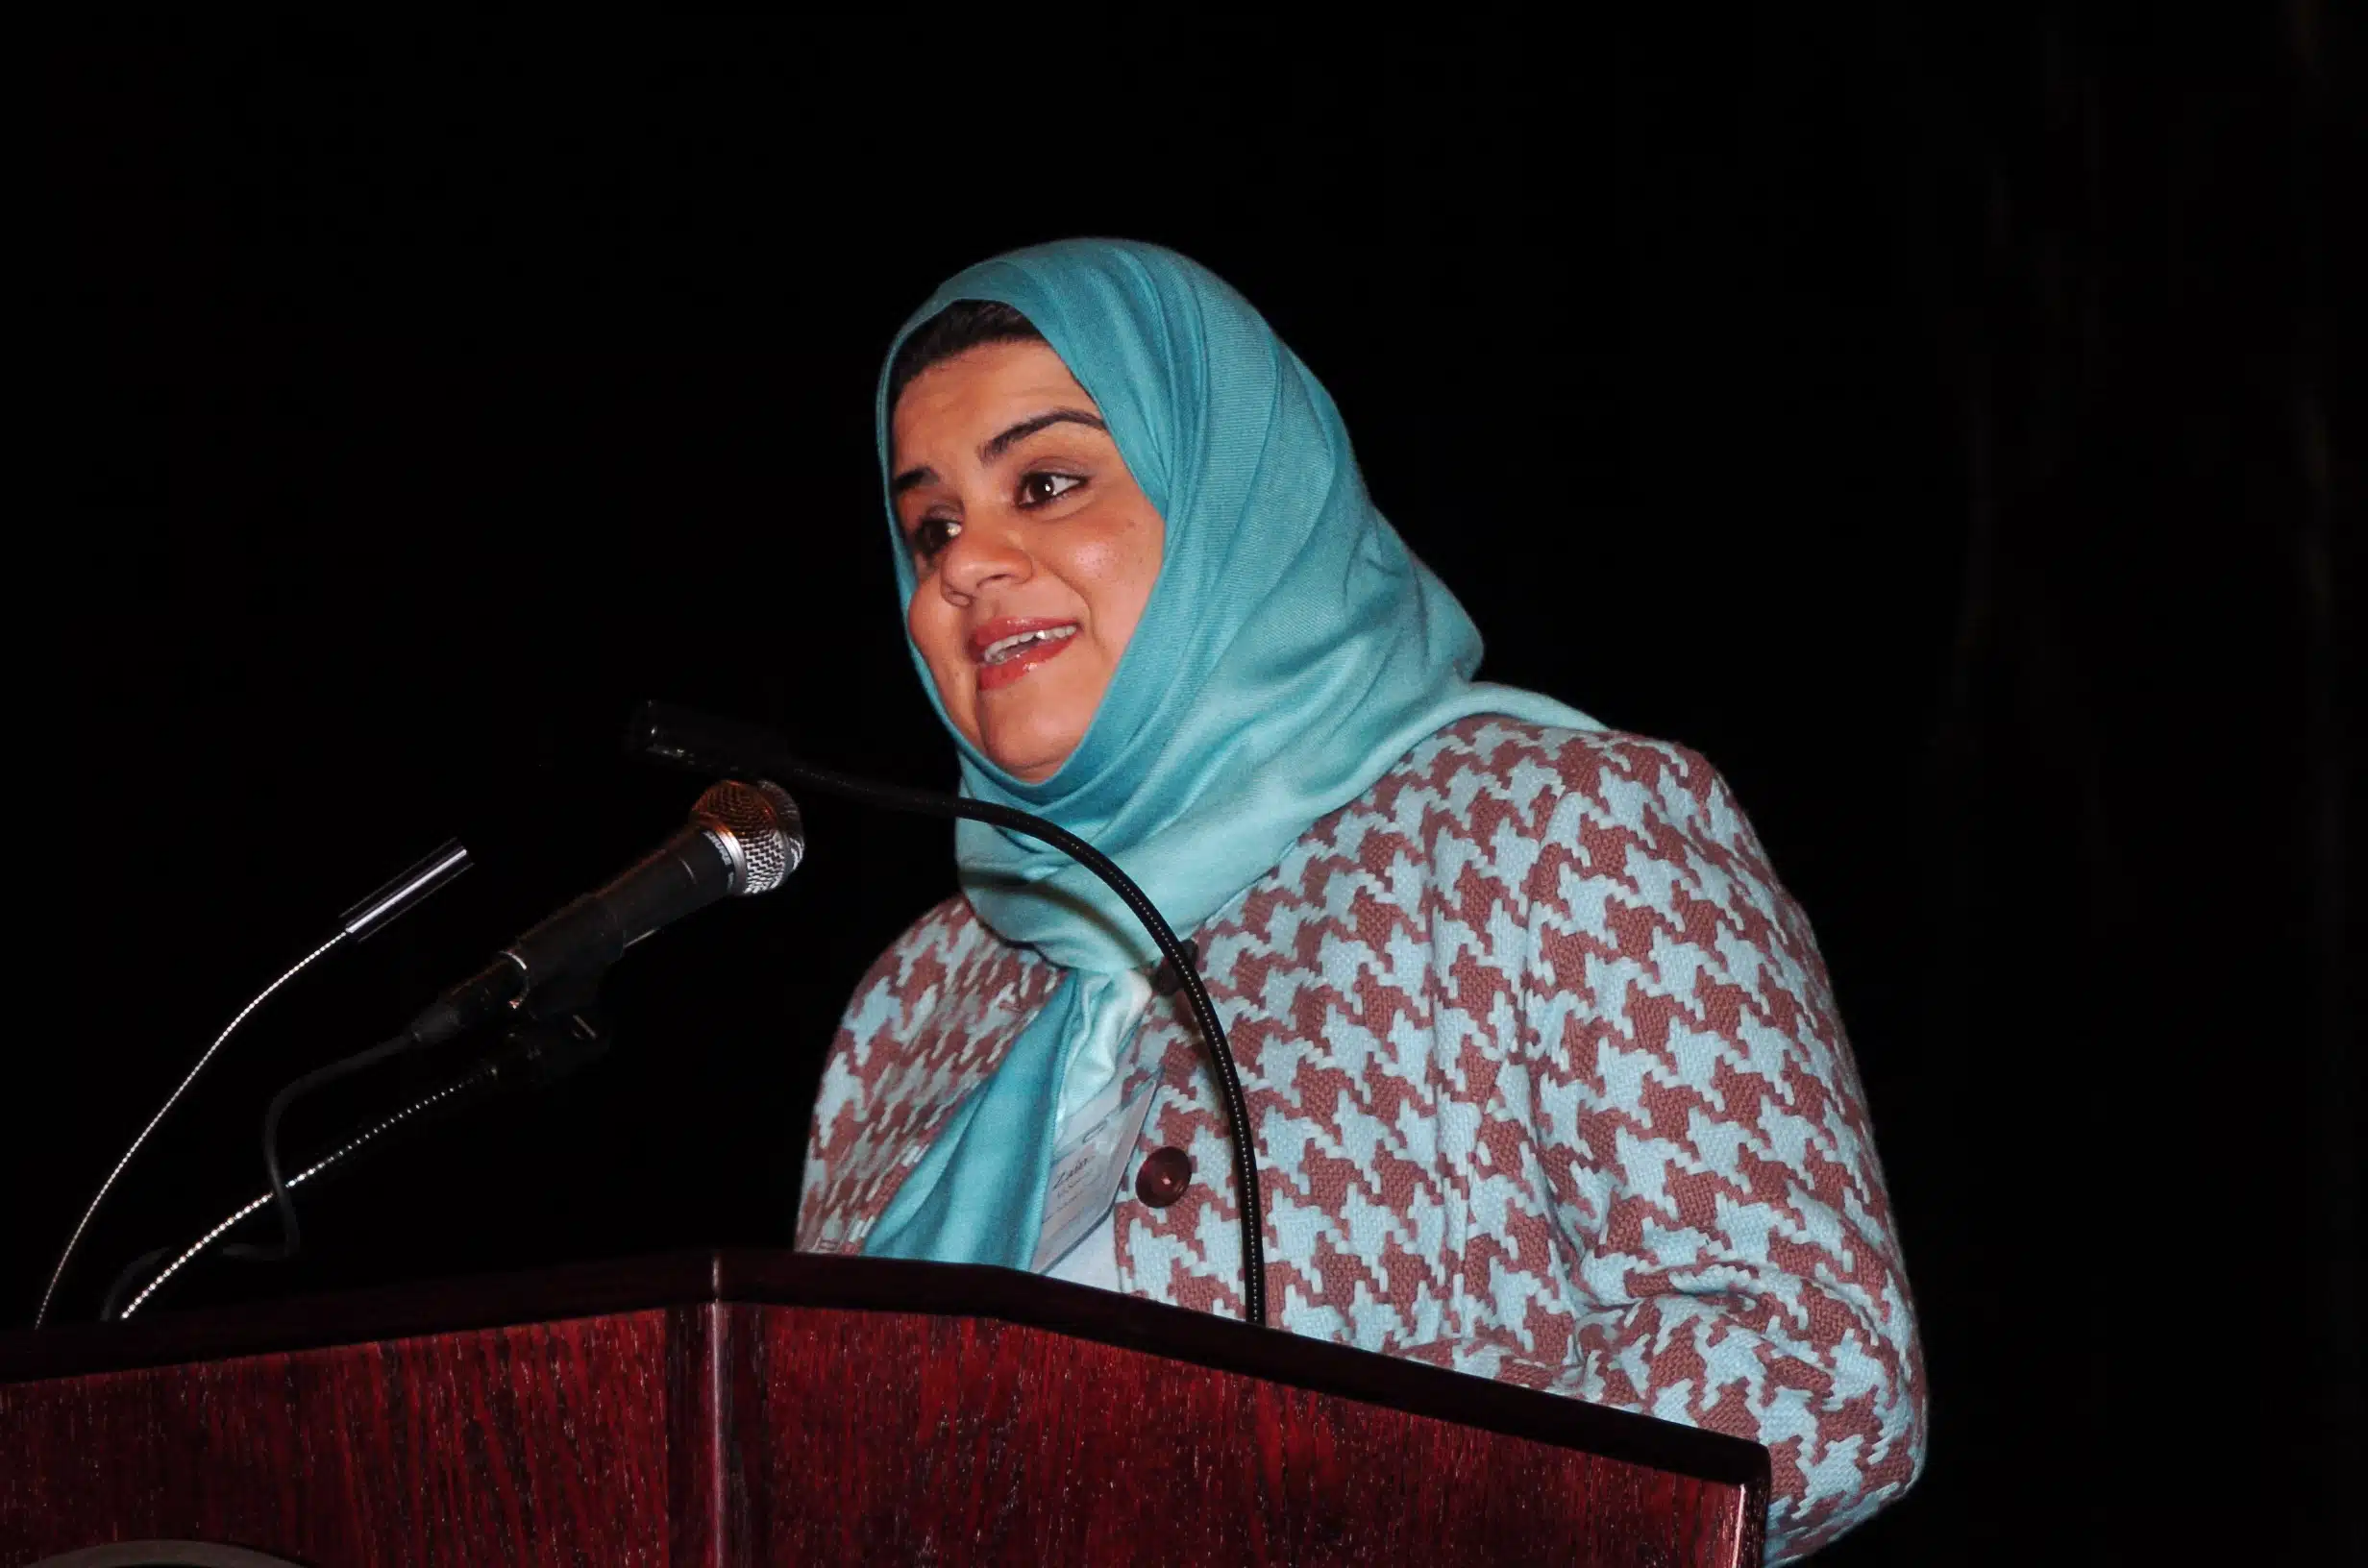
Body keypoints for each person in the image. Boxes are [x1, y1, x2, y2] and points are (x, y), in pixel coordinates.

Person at [797, 238, 1926, 1559]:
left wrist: (1287, 1499)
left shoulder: (1552, 827)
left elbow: (1816, 1372)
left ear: (1235, 496)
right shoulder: (915, 1001)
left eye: (1044, 484)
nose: (964, 566)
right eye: (928, 524)